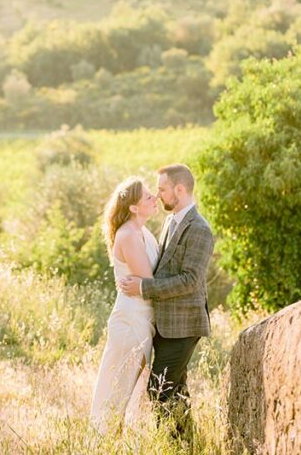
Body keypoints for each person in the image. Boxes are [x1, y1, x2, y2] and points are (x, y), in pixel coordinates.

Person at [117, 163, 214, 441]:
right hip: (166, 323)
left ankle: (173, 444)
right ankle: (188, 444)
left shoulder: (200, 229)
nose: (157, 196)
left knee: (160, 390)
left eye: (161, 189)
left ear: (180, 190)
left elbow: (190, 281)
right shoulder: (171, 221)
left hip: (184, 325)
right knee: (176, 389)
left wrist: (144, 288)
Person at [89, 176, 161, 433]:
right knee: (117, 394)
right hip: (131, 321)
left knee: (131, 394)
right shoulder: (129, 235)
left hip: (142, 319)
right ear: (133, 208)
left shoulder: (143, 232)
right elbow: (149, 282)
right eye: (148, 197)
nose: (155, 199)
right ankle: (103, 445)